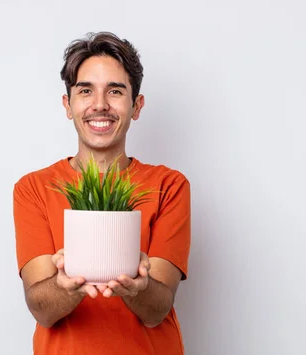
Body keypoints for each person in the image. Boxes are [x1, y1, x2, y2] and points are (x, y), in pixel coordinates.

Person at [13, 32, 191, 354]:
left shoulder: (169, 186)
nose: (99, 105)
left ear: (136, 106)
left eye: (115, 91)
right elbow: (41, 308)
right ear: (68, 105)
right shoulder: (34, 189)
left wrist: (137, 287)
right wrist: (67, 285)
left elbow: (157, 310)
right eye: (85, 91)